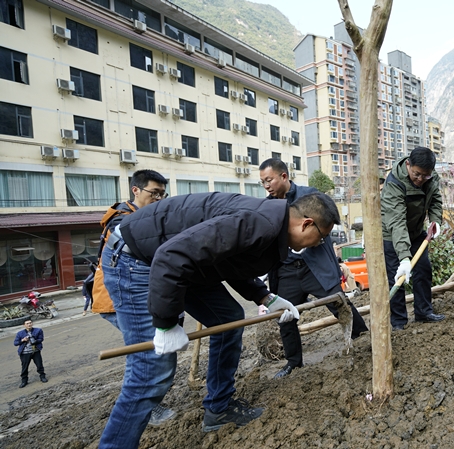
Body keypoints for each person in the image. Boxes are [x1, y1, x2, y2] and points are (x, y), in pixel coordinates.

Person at [99, 191, 337, 447]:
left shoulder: (269, 224)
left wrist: (265, 297)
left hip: (179, 262)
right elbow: (171, 257)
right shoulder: (259, 223)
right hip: (138, 258)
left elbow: (228, 259)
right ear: (306, 224)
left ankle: (219, 408)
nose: (318, 244)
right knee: (150, 371)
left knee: (227, 319)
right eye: (321, 238)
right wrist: (166, 323)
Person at [260, 158, 368, 379]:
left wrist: (335, 263)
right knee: (286, 316)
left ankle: (363, 338)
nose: (266, 186)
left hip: (314, 266)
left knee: (339, 302)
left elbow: (327, 225)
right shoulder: (268, 206)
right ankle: (294, 362)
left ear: (284, 176)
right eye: (262, 182)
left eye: (269, 180)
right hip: (287, 270)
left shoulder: (310, 196)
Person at [92, 169, 169, 328]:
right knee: (148, 346)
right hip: (118, 294)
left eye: (162, 194)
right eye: (154, 193)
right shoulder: (121, 220)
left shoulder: (146, 214)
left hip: (134, 291)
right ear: (136, 190)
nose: (159, 198)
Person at [381, 146, 445, 331]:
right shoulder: (394, 183)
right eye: (417, 174)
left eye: (425, 176)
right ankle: (399, 322)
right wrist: (404, 258)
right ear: (408, 164)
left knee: (423, 269)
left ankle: (424, 311)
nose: (420, 179)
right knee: (398, 277)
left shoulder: (430, 178)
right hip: (392, 234)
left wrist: (435, 221)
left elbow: (435, 201)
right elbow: (397, 221)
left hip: (416, 232)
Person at [14, 319, 47, 388]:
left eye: (30, 323)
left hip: (35, 351)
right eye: (27, 323)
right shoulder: (20, 333)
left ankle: (42, 376)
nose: (29, 324)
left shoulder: (38, 330)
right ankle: (24, 380)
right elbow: (15, 343)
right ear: (24, 325)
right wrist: (22, 340)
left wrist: (35, 341)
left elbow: (41, 339)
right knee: (24, 367)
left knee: (39, 365)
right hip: (25, 353)